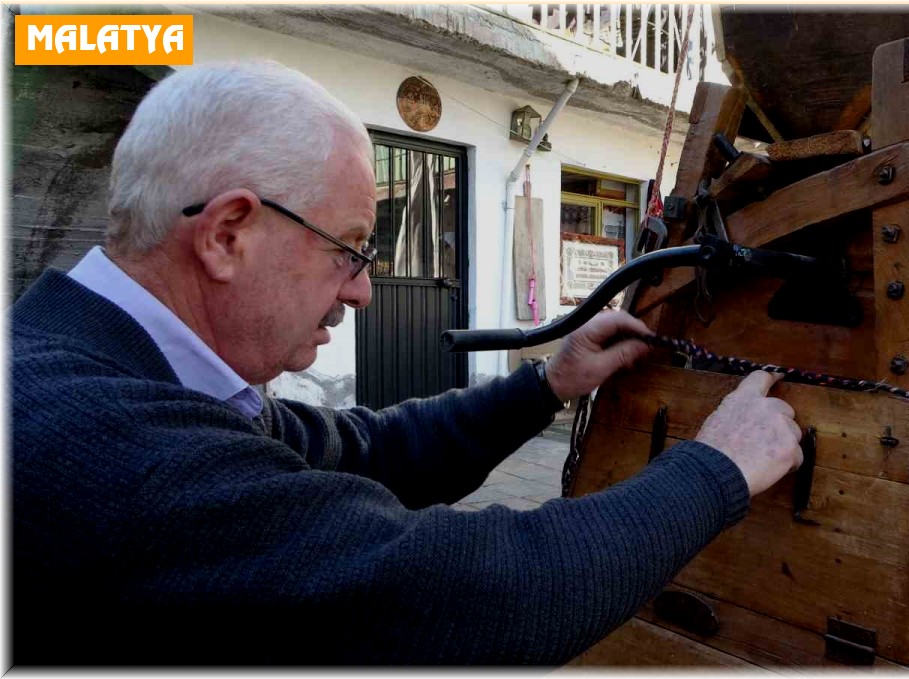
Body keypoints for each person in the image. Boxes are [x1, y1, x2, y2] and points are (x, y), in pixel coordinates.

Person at [11, 61, 803, 665]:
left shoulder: (130, 366)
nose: (360, 291)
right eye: (350, 249)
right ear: (227, 234)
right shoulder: (107, 443)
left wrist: (545, 386)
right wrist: (718, 467)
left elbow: (369, 452)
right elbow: (476, 595)